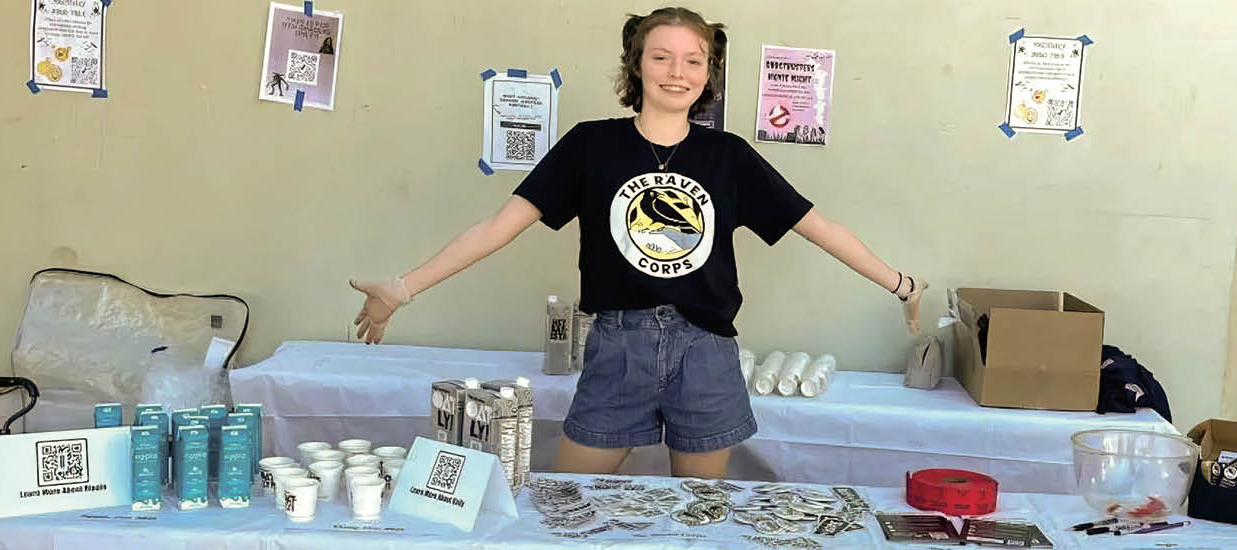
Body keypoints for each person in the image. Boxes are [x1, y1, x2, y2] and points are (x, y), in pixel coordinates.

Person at [349, 7, 927, 479]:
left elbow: (816, 224)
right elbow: (498, 226)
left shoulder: (728, 157)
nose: (678, 71)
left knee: (699, 515)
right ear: (637, 66)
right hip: (616, 347)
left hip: (706, 351)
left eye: (694, 60)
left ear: (709, 74)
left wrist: (900, 285)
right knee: (570, 500)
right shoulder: (589, 146)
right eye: (662, 57)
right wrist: (402, 288)